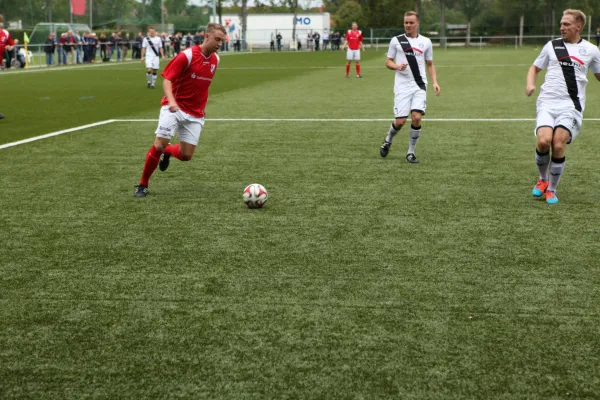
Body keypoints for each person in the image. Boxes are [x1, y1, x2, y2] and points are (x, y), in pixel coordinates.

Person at [134, 23, 226, 198]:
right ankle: (143, 184)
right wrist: (172, 101)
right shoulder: (187, 55)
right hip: (174, 108)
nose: (219, 44)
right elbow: (167, 80)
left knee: (186, 155)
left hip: (196, 113)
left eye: (222, 41)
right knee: (159, 143)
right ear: (207, 36)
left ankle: (167, 151)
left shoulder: (216, 60)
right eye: (217, 39)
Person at [526, 9, 600, 204]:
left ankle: (551, 189)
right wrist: (530, 84)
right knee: (543, 141)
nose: (562, 27)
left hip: (571, 106)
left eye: (566, 24)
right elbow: (534, 68)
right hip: (547, 102)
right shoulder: (552, 46)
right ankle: (542, 180)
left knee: (558, 143)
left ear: (578, 26)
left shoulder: (592, 50)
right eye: (561, 23)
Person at [379, 11, 441, 164]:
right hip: (402, 86)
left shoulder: (426, 42)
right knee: (400, 122)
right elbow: (388, 61)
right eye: (406, 22)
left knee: (416, 117)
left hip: (419, 85)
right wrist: (396, 66)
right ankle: (388, 140)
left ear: (417, 23)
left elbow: (430, 64)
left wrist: (435, 82)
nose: (408, 25)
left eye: (411, 22)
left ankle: (410, 153)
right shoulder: (396, 40)